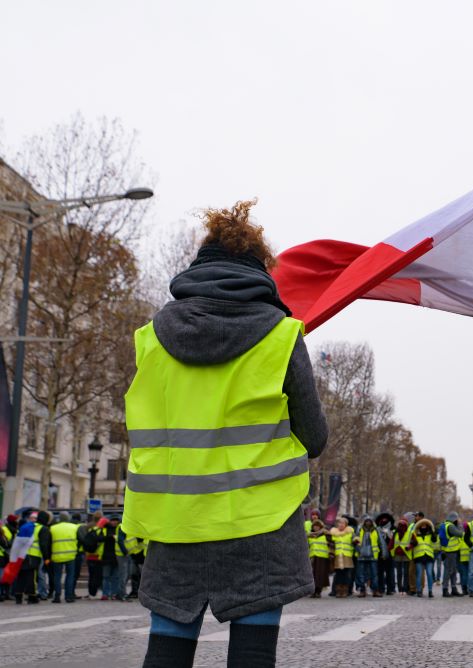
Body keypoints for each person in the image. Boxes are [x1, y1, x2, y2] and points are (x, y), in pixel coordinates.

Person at [121, 201, 329, 668]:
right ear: (260, 269)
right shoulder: (281, 335)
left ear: (198, 266)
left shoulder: (150, 338)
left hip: (176, 522)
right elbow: (314, 438)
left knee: (167, 649)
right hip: (259, 522)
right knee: (253, 655)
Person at [49, 512, 79, 604]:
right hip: (71, 555)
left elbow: (49, 542)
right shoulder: (74, 527)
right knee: (70, 576)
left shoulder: (53, 528)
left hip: (56, 555)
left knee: (57, 576)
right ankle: (68, 596)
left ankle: (57, 596)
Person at [410, 518, 438, 597]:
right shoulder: (415, 534)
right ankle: (419, 591)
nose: (423, 526)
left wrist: (433, 532)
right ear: (419, 526)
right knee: (419, 574)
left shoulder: (431, 534)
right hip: (419, 556)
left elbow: (434, 540)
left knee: (429, 574)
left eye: (425, 524)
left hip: (428, 556)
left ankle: (430, 591)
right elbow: (412, 543)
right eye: (422, 524)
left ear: (427, 526)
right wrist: (413, 541)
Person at [439, 512, 464, 597]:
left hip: (450, 551)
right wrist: (460, 526)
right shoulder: (451, 526)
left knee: (453, 571)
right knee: (449, 571)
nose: (459, 520)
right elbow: (460, 534)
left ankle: (453, 589)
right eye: (458, 518)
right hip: (451, 551)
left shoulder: (445, 525)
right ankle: (445, 589)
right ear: (454, 519)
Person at [330, 518, 355, 598]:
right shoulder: (334, 534)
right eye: (339, 523)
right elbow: (331, 544)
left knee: (346, 575)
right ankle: (338, 591)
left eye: (342, 523)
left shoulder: (350, 533)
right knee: (338, 575)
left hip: (347, 557)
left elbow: (355, 541)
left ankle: (345, 591)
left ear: (346, 525)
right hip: (338, 557)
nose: (341, 525)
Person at [307, 520, 331, 598]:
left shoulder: (325, 535)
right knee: (312, 575)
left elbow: (331, 544)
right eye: (314, 526)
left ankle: (318, 591)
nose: (316, 528)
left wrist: (331, 554)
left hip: (322, 558)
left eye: (318, 526)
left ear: (320, 527)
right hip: (313, 558)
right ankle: (313, 591)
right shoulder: (309, 536)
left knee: (320, 575)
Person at [101, 516, 123, 601]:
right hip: (106, 556)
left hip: (116, 556)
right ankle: (105, 594)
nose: (114, 522)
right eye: (113, 520)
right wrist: (110, 537)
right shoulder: (105, 529)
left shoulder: (120, 529)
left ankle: (114, 593)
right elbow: (99, 539)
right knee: (106, 577)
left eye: (115, 520)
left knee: (115, 577)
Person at [375, 513, 396, 596]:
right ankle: (381, 588)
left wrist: (388, 534)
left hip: (390, 553)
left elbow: (394, 540)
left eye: (386, 520)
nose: (384, 521)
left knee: (390, 572)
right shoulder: (377, 530)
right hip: (380, 553)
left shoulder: (393, 529)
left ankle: (390, 589)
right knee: (380, 572)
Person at [391, 518, 411, 597]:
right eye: (400, 525)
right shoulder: (396, 533)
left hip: (406, 554)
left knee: (405, 573)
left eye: (403, 525)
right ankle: (400, 588)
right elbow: (392, 543)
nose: (401, 527)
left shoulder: (409, 533)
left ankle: (405, 588)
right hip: (397, 555)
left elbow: (414, 542)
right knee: (399, 573)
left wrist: (409, 547)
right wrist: (388, 551)